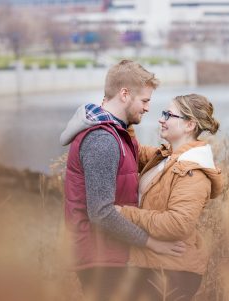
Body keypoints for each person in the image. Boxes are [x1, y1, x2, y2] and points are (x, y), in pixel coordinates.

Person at [60, 60, 185, 301]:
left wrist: (182, 152)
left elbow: (137, 158)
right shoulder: (102, 140)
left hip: (109, 252)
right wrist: (150, 242)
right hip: (99, 257)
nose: (148, 108)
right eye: (145, 100)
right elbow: (101, 212)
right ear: (125, 94)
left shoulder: (117, 133)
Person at [116, 93, 223, 301]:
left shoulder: (192, 171)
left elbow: (177, 224)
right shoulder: (167, 157)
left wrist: (125, 214)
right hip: (154, 265)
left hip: (173, 272)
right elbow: (131, 151)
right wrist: (124, 114)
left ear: (189, 125)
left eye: (168, 114)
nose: (161, 118)